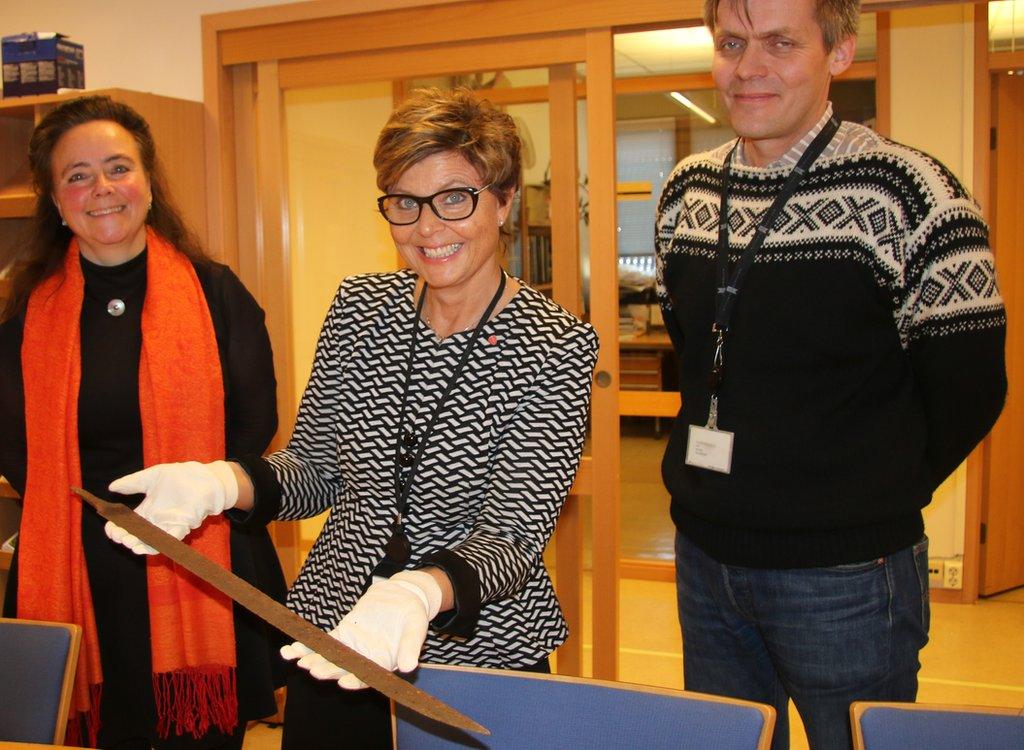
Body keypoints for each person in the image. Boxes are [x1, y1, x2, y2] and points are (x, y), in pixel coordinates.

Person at [105, 87, 599, 749]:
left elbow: (512, 532)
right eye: (404, 202)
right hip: (333, 635)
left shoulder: (555, 343)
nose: (428, 228)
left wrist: (419, 592)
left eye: (455, 198)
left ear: (505, 200)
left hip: (479, 646)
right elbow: (314, 470)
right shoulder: (363, 309)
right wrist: (222, 484)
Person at [655, 2, 1006, 748]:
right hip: (705, 559)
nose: (749, 67)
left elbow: (971, 386)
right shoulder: (685, 191)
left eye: (781, 43)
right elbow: (698, 352)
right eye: (732, 43)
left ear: (840, 51)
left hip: (845, 576)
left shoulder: (911, 193)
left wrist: (868, 494)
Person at [0, 95, 287, 749]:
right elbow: (15, 443)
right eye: (77, 175)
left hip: (201, 553)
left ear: (149, 184)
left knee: (201, 737)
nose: (100, 188)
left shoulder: (216, 292)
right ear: (55, 197)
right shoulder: (27, 313)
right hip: (79, 566)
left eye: (117, 167)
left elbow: (253, 424)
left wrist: (189, 502)